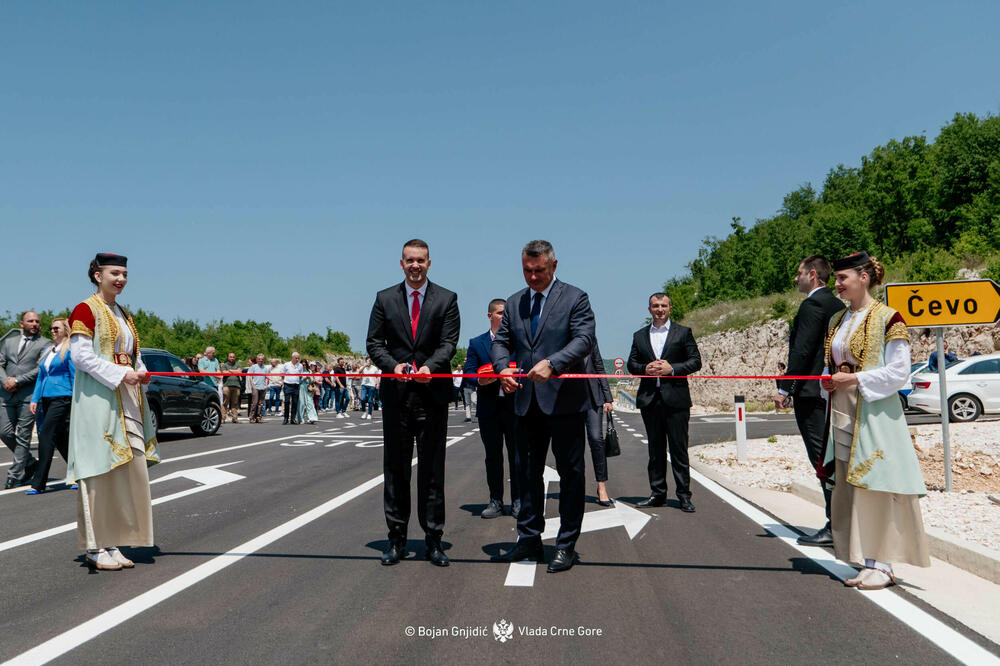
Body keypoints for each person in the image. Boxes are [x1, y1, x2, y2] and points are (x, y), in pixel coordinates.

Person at [819, 251, 929, 590]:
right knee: (851, 483)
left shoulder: (888, 317)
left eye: (842, 278)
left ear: (863, 277)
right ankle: (867, 559)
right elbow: (830, 364)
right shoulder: (837, 320)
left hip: (875, 410)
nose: (837, 284)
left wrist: (854, 379)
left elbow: (899, 372)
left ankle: (884, 563)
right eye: (836, 279)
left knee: (877, 483)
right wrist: (828, 380)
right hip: (843, 408)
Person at [491, 240, 596, 574]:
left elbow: (584, 340)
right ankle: (529, 539)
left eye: (539, 270)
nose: (532, 277)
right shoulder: (514, 302)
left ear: (554, 265)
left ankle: (565, 545)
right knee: (526, 475)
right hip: (525, 402)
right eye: (527, 270)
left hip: (565, 402)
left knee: (571, 475)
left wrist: (553, 363)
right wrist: (502, 369)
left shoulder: (575, 298)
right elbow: (502, 341)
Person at [366, 238, 460, 567]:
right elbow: (374, 343)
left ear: (429, 263)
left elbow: (449, 343)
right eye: (410, 260)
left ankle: (434, 539)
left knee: (432, 471)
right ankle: (396, 539)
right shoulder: (384, 299)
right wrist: (393, 366)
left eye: (420, 260)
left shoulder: (447, 299)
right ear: (401, 263)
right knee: (395, 470)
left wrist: (429, 368)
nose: (415, 265)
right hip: (397, 397)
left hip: (432, 396)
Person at [68, 253, 159, 571]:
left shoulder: (123, 313)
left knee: (125, 470)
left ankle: (113, 542)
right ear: (98, 275)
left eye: (124, 274)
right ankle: (95, 547)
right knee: (99, 471)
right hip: (98, 400)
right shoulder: (85, 309)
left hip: (127, 398)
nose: (121, 279)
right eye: (114, 273)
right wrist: (122, 374)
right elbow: (80, 356)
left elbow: (133, 356)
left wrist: (140, 372)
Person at [774, 255, 845, 546]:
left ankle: (835, 525)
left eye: (799, 273)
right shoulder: (837, 305)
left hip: (812, 393)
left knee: (821, 458)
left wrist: (785, 388)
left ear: (813, 274)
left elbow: (802, 351)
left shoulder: (812, 305)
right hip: (832, 391)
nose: (796, 278)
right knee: (834, 456)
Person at [627, 293, 702, 513]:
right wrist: (644, 369)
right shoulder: (639, 336)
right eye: (655, 306)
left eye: (663, 306)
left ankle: (684, 496)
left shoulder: (683, 332)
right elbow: (632, 364)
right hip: (650, 400)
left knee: (679, 450)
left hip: (676, 400)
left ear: (670, 308)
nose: (659, 309)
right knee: (655, 450)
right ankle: (658, 494)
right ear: (649, 309)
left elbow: (696, 361)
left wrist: (673, 369)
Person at [463, 298, 519, 519]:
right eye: (500, 313)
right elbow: (468, 373)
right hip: (489, 408)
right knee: (493, 457)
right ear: (490, 316)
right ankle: (496, 500)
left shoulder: (519, 341)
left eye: (507, 314)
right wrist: (481, 380)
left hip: (515, 407)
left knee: (517, 456)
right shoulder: (477, 343)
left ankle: (518, 501)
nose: (505, 317)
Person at [1, 310, 50, 488]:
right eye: (30, 321)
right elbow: (0, 363)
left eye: (37, 321)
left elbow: (40, 368)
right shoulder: (9, 342)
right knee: (4, 432)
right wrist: (5, 381)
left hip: (28, 396)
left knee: (23, 435)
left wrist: (18, 380)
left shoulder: (45, 343)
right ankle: (30, 463)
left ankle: (13, 475)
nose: (35, 324)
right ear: (22, 324)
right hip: (6, 394)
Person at [27, 318, 75, 494]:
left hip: (63, 397)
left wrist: (76, 400)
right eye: (52, 328)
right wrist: (35, 398)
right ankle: (78, 474)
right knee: (61, 438)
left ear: (66, 330)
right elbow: (41, 377)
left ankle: (38, 482)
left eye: (56, 328)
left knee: (46, 435)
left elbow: (75, 376)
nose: (53, 331)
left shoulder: (70, 350)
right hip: (46, 398)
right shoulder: (48, 351)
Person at [585, 341, 615, 506]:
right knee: (572, 445)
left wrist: (608, 398)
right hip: (568, 400)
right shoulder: (560, 334)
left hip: (593, 398)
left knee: (596, 439)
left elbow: (599, 366)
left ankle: (601, 486)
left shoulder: (590, 339)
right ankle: (574, 485)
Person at [220, 352, 242, 423]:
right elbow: (224, 373)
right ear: (228, 357)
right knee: (225, 403)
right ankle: (223, 418)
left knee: (235, 403)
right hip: (227, 386)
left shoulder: (238, 364)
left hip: (236, 386)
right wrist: (235, 371)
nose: (232, 358)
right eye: (230, 357)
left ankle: (234, 418)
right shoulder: (225, 365)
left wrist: (230, 371)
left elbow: (240, 372)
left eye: (233, 357)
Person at [281, 352, 303, 424]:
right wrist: (283, 382)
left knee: (295, 402)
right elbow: (282, 374)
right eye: (296, 358)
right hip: (287, 385)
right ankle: (286, 418)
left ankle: (293, 419)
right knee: (287, 402)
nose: (297, 359)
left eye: (298, 358)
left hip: (296, 385)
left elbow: (301, 375)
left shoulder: (300, 366)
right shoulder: (286, 364)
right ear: (292, 357)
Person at [247, 353, 268, 423]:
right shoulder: (253, 367)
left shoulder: (265, 368)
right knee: (254, 403)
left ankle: (258, 417)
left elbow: (266, 377)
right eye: (259, 359)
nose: (260, 360)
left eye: (262, 359)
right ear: (257, 360)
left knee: (260, 403)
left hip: (263, 387)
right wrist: (252, 386)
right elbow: (250, 377)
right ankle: (251, 417)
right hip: (255, 387)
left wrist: (266, 385)